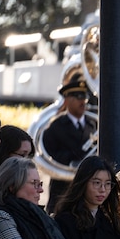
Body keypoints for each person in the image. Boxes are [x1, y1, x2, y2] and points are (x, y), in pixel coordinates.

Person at [42, 78, 97, 214]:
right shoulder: (55, 125)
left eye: (84, 96)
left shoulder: (93, 124)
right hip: (63, 187)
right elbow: (51, 156)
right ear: (66, 100)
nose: (82, 101)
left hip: (86, 187)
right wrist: (77, 156)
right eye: (78, 97)